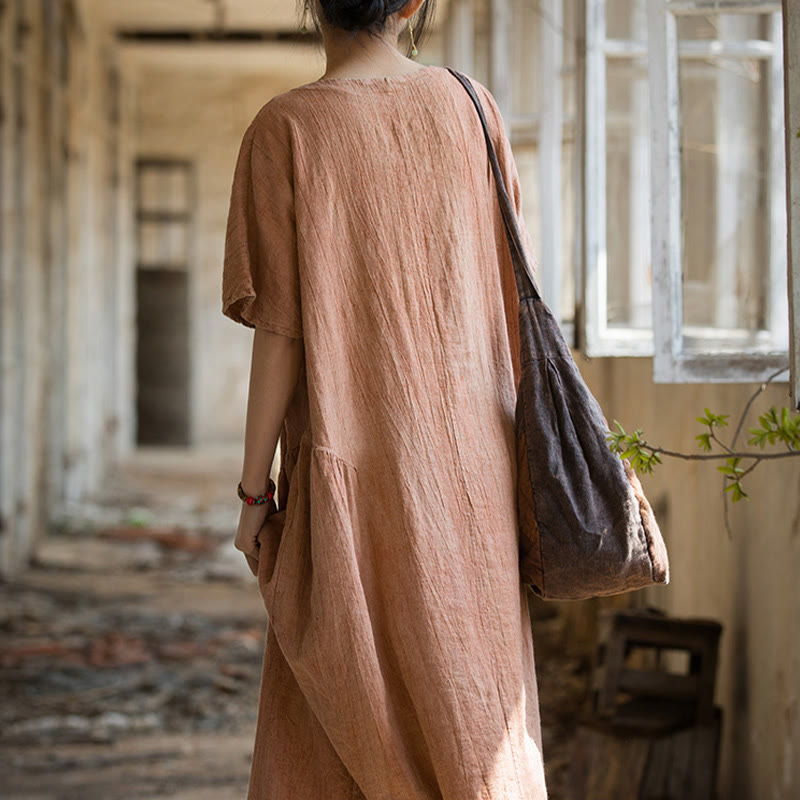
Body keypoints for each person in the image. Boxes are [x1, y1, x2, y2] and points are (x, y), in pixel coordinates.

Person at [221, 0, 548, 797]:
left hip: (352, 478)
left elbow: (281, 334)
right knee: (471, 702)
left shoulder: (285, 129)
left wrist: (255, 493)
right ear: (412, 4)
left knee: (337, 712)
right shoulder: (473, 110)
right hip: (473, 472)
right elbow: (509, 290)